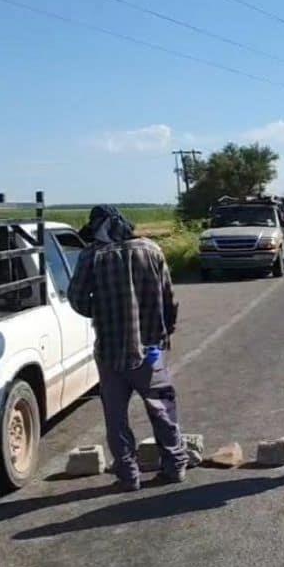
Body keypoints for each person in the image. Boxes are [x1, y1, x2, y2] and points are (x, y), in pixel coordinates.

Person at [69, 205, 187, 491]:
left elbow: (77, 300)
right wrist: (165, 332)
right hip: (150, 350)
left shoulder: (91, 257)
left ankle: (128, 474)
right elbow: (168, 297)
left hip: (110, 351)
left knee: (116, 416)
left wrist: (102, 308)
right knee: (162, 409)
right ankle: (174, 465)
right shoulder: (151, 250)